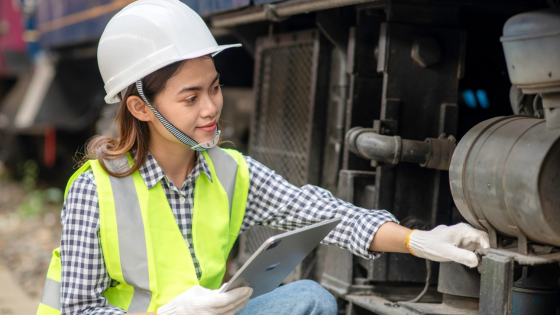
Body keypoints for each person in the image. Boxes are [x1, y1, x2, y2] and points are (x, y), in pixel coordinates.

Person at [36, 1, 490, 315]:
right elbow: (76, 308)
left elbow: (327, 213)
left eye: (213, 87)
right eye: (190, 97)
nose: (211, 107)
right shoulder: (94, 190)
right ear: (140, 108)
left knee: (309, 299)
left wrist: (420, 240)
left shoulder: (230, 172)